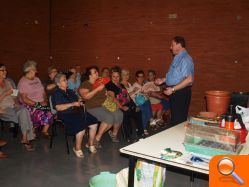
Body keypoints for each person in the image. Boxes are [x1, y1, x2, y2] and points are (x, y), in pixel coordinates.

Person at [52, 73, 98, 157]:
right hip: (65, 114)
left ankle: (90, 144)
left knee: (94, 121)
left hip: (76, 112)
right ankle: (77, 148)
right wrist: (72, 104)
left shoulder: (70, 91)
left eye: (66, 79)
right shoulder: (56, 93)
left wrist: (80, 101)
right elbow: (58, 107)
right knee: (81, 125)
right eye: (64, 80)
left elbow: (77, 100)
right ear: (58, 84)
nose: (67, 81)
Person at [79, 66, 123, 146]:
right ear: (90, 75)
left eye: (97, 71)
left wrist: (107, 94)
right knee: (109, 118)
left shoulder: (99, 82)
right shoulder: (85, 84)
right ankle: (96, 139)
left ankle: (113, 134)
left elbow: (107, 89)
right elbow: (86, 97)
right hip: (93, 106)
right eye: (94, 72)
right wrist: (97, 89)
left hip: (104, 104)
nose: (97, 73)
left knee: (119, 114)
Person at [155, 36, 194, 126]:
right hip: (176, 91)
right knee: (175, 119)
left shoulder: (186, 59)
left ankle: (179, 139)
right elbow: (176, 77)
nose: (170, 47)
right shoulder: (177, 58)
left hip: (181, 92)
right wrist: (163, 80)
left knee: (178, 121)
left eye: (172, 45)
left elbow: (189, 79)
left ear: (179, 45)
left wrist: (173, 89)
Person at [0, 64, 35, 151]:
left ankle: (25, 138)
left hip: (12, 106)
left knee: (24, 110)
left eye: (5, 70)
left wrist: (16, 103)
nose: (5, 72)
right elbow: (7, 94)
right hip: (3, 108)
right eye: (3, 70)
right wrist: (5, 94)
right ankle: (27, 137)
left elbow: (15, 94)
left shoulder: (8, 82)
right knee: (23, 116)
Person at [17, 60, 53, 137]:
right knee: (41, 112)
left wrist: (45, 100)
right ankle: (31, 131)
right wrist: (38, 104)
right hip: (30, 104)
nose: (36, 70)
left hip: (41, 102)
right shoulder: (23, 82)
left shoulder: (37, 79)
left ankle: (44, 130)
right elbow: (24, 99)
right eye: (35, 68)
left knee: (50, 111)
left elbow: (43, 92)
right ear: (30, 70)